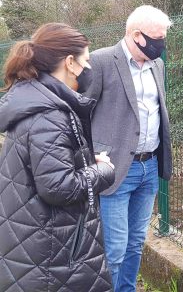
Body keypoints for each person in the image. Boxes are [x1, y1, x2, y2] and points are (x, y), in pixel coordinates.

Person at [0, 23, 116, 291]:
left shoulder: (36, 99)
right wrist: (103, 171)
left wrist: (85, 162)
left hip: (37, 240)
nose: (88, 69)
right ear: (70, 63)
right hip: (52, 253)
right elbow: (57, 187)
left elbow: (48, 168)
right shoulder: (49, 115)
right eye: (86, 60)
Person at [84, 5, 173, 292]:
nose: (162, 44)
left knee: (136, 242)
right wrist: (90, 156)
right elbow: (80, 114)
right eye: (157, 38)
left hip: (149, 168)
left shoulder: (156, 64)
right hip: (116, 169)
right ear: (136, 35)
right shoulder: (100, 62)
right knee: (114, 247)